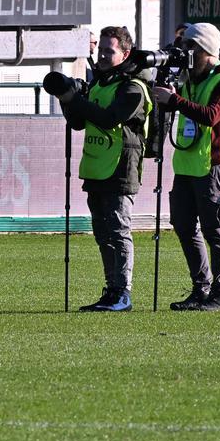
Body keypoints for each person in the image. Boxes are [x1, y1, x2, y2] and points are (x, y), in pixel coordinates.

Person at [56, 26, 151, 312]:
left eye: (110, 51)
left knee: (118, 230)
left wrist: (78, 101)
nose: (102, 56)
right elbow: (78, 123)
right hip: (97, 166)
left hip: (121, 167)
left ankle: (123, 293)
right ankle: (111, 290)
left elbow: (110, 118)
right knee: (102, 233)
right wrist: (66, 100)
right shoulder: (99, 84)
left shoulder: (133, 87)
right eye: (101, 50)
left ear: (126, 54)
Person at [153, 23, 220, 312]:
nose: (186, 53)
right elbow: (176, 108)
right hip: (186, 165)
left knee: (214, 231)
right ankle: (201, 288)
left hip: (212, 165)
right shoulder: (189, 79)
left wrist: (175, 100)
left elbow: (212, 115)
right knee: (183, 226)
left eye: (191, 47)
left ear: (206, 50)